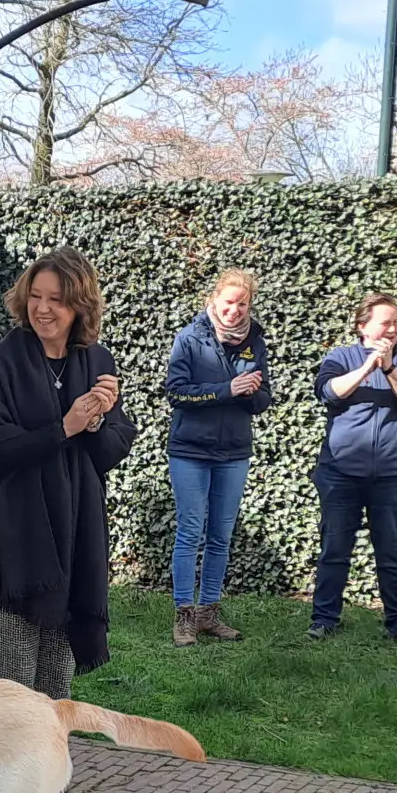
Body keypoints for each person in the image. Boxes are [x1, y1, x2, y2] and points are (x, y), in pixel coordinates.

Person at [0, 247, 137, 793]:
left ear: (78, 306)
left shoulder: (97, 361)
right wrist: (62, 427)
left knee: (56, 675)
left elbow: (115, 447)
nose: (42, 309)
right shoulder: (3, 363)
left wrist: (95, 422)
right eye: (35, 297)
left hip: (78, 530)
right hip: (21, 532)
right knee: (16, 679)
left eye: (56, 300)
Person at [310, 293, 397, 641]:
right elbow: (331, 392)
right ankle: (323, 620)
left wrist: (391, 367)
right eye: (386, 322)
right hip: (340, 472)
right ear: (363, 326)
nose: (393, 328)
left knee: (392, 551)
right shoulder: (340, 357)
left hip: (393, 473)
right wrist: (368, 367)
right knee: (335, 548)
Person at [164, 269, 272, 646]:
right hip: (190, 451)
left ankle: (210, 614)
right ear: (213, 302)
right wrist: (227, 389)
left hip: (234, 453)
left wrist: (251, 392)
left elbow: (263, 400)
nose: (235, 310)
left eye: (242, 303)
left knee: (221, 535)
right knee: (191, 531)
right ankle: (184, 617)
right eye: (229, 302)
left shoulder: (255, 341)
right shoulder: (190, 338)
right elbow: (177, 393)